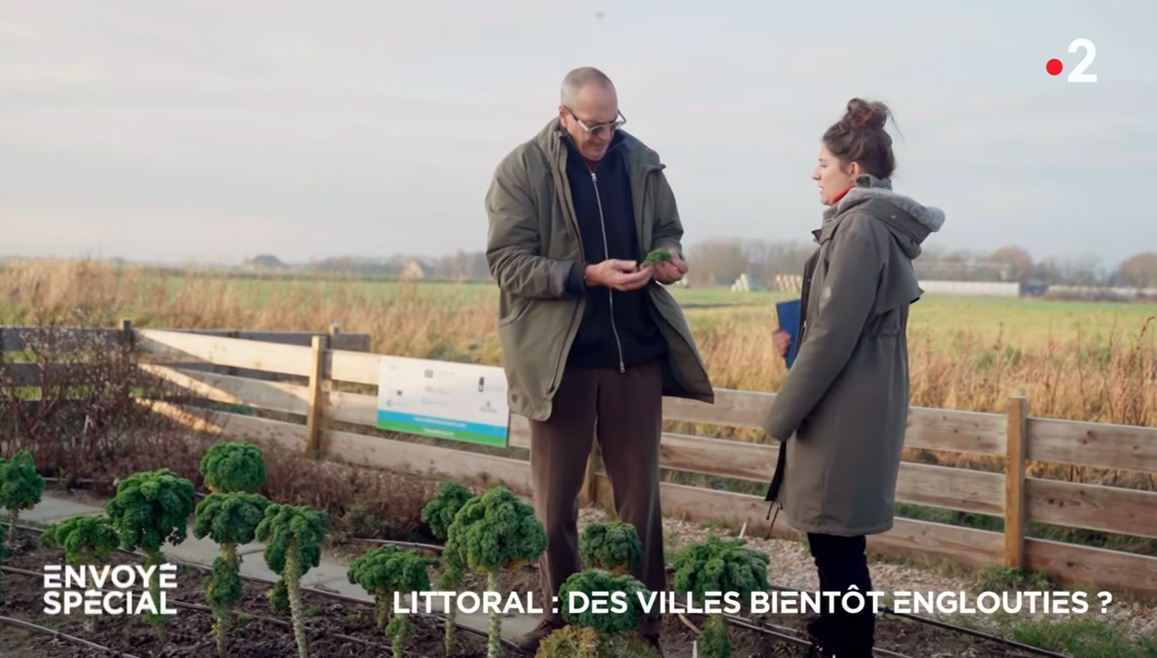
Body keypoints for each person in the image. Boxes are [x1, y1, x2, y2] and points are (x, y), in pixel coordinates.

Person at [484, 66, 715, 655]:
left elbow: (668, 230)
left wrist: (668, 258)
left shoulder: (642, 162)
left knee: (641, 502)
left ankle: (642, 627)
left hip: (635, 356)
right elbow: (507, 263)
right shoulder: (521, 170)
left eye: (613, 123)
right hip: (559, 362)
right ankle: (561, 620)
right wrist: (585, 275)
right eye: (593, 125)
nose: (604, 135)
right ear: (564, 115)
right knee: (553, 503)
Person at [762, 98, 945, 658]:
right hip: (851, 405)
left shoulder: (860, 229)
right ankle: (833, 640)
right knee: (834, 545)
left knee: (838, 550)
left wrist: (780, 415)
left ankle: (844, 648)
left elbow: (834, 335)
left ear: (854, 171)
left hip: (842, 414)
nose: (815, 173)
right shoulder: (864, 225)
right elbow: (841, 326)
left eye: (823, 163)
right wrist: (794, 340)